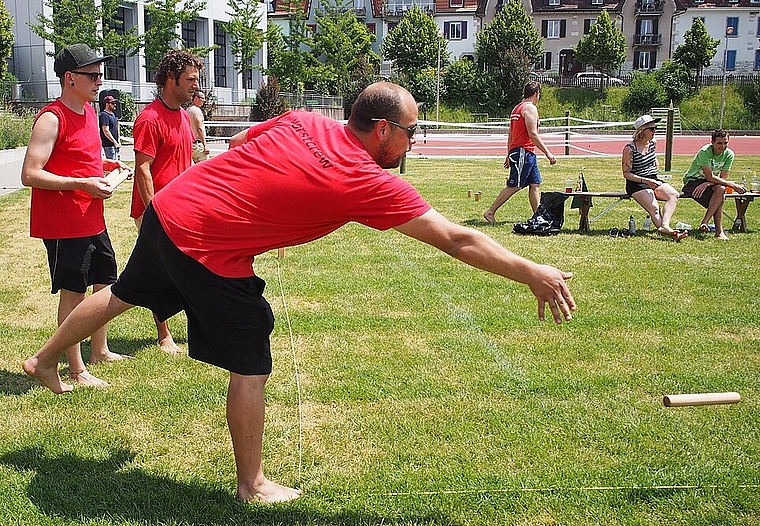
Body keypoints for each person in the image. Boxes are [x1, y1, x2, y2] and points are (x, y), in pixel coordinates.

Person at [23, 82, 576, 504]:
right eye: (411, 131)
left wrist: (270, 201)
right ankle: (252, 483)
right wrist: (531, 270)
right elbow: (455, 237)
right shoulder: (362, 178)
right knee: (252, 357)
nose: (413, 141)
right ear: (382, 130)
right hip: (206, 242)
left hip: (173, 207)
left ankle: (44, 359)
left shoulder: (307, 119)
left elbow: (241, 144)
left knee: (123, 293)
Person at [20, 43, 131, 388]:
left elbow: (81, 159)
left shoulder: (89, 113)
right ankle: (75, 369)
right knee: (74, 293)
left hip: (91, 219)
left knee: (106, 282)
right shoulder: (51, 118)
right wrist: (81, 183)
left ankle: (99, 350)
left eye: (100, 74)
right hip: (65, 224)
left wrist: (109, 166)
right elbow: (30, 174)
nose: (100, 81)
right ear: (70, 78)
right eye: (92, 75)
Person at [131, 49, 204, 354]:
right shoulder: (149, 119)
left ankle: (195, 327)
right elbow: (143, 169)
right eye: (190, 80)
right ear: (171, 79)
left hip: (180, 208)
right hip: (155, 210)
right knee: (160, 272)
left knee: (188, 268)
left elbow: (184, 161)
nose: (195, 86)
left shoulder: (184, 117)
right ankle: (164, 336)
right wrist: (153, 213)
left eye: (196, 80)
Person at [483, 81, 556, 225]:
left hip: (526, 152)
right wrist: (548, 153)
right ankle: (490, 212)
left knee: (535, 184)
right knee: (515, 185)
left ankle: (537, 216)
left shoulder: (517, 108)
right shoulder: (530, 108)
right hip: (523, 151)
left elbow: (511, 133)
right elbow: (533, 134)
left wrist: (509, 152)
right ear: (537, 94)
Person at [622, 114, 687, 241]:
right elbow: (626, 173)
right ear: (642, 131)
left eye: (655, 128)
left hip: (653, 178)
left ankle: (665, 226)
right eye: (651, 129)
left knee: (673, 195)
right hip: (636, 182)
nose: (654, 131)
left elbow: (653, 158)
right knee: (654, 208)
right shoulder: (629, 148)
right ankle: (670, 232)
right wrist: (646, 180)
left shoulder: (653, 143)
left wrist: (655, 165)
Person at [682, 128, 746, 240]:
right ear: (712, 142)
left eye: (725, 143)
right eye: (719, 143)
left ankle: (706, 222)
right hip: (693, 181)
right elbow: (710, 176)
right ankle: (718, 231)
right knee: (720, 196)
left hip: (710, 182)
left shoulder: (729, 154)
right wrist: (733, 185)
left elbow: (722, 178)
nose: (723, 146)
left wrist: (708, 184)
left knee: (721, 190)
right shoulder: (704, 152)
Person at [188, 90, 210, 163]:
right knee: (205, 169)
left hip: (190, 144)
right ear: (196, 98)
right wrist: (205, 145)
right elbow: (199, 128)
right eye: (202, 98)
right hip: (198, 145)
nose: (204, 101)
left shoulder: (188, 110)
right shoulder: (196, 110)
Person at [99, 95, 120, 160]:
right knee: (112, 165)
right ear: (107, 104)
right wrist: (114, 142)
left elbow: (115, 128)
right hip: (109, 145)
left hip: (115, 144)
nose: (115, 105)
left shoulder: (112, 114)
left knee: (117, 164)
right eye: (113, 103)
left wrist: (118, 141)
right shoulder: (104, 115)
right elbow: (106, 131)